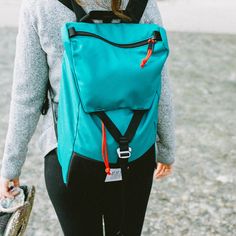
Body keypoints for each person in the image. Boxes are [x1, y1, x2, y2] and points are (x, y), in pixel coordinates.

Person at [0, 0, 175, 235]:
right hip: (135, 150)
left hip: (68, 155)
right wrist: (166, 149)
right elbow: (160, 88)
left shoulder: (39, 6)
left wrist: (11, 167)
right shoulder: (142, 4)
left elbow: (27, 96)